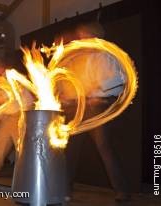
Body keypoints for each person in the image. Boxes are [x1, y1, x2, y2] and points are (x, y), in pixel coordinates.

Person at [56, 21, 130, 202]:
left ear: (96, 36)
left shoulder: (106, 55)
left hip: (99, 106)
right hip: (81, 108)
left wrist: (97, 90)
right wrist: (67, 96)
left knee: (104, 146)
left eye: (85, 36)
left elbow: (119, 79)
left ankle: (122, 190)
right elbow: (74, 85)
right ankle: (64, 189)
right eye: (81, 36)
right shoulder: (79, 59)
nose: (82, 40)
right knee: (71, 147)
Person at [0, 59, 33, 179]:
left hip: (21, 113)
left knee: (20, 143)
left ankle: (30, 170)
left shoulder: (12, 75)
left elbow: (14, 96)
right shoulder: (0, 82)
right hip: (10, 116)